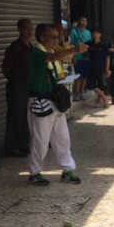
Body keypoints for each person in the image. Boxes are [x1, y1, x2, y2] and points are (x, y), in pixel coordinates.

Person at [26, 23, 88, 186]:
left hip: (55, 101)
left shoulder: (53, 53)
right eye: (52, 37)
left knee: (62, 138)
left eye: (56, 37)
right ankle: (34, 172)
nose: (55, 40)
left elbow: (55, 69)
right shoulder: (37, 53)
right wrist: (74, 49)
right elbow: (51, 59)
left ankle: (67, 169)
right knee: (40, 139)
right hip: (40, 101)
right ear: (41, 37)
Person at [2, 18, 34, 157]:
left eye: (31, 28)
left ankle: (22, 144)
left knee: (25, 116)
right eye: (26, 28)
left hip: (28, 84)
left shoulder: (31, 47)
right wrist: (15, 79)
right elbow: (5, 68)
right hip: (17, 85)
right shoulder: (15, 47)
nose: (29, 31)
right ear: (20, 29)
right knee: (15, 115)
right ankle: (11, 146)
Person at [70, 16, 92, 101]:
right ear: (79, 21)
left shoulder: (88, 33)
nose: (84, 23)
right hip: (78, 57)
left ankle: (82, 92)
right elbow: (71, 44)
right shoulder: (74, 32)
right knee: (78, 76)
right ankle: (76, 93)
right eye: (82, 20)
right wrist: (73, 57)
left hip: (86, 57)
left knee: (85, 77)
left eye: (85, 21)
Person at [87, 30, 111, 108]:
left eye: (97, 33)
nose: (95, 35)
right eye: (93, 33)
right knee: (91, 85)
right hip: (91, 67)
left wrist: (107, 68)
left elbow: (107, 57)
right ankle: (105, 98)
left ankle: (100, 101)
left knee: (102, 86)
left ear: (100, 34)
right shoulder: (89, 44)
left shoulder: (103, 45)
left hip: (101, 68)